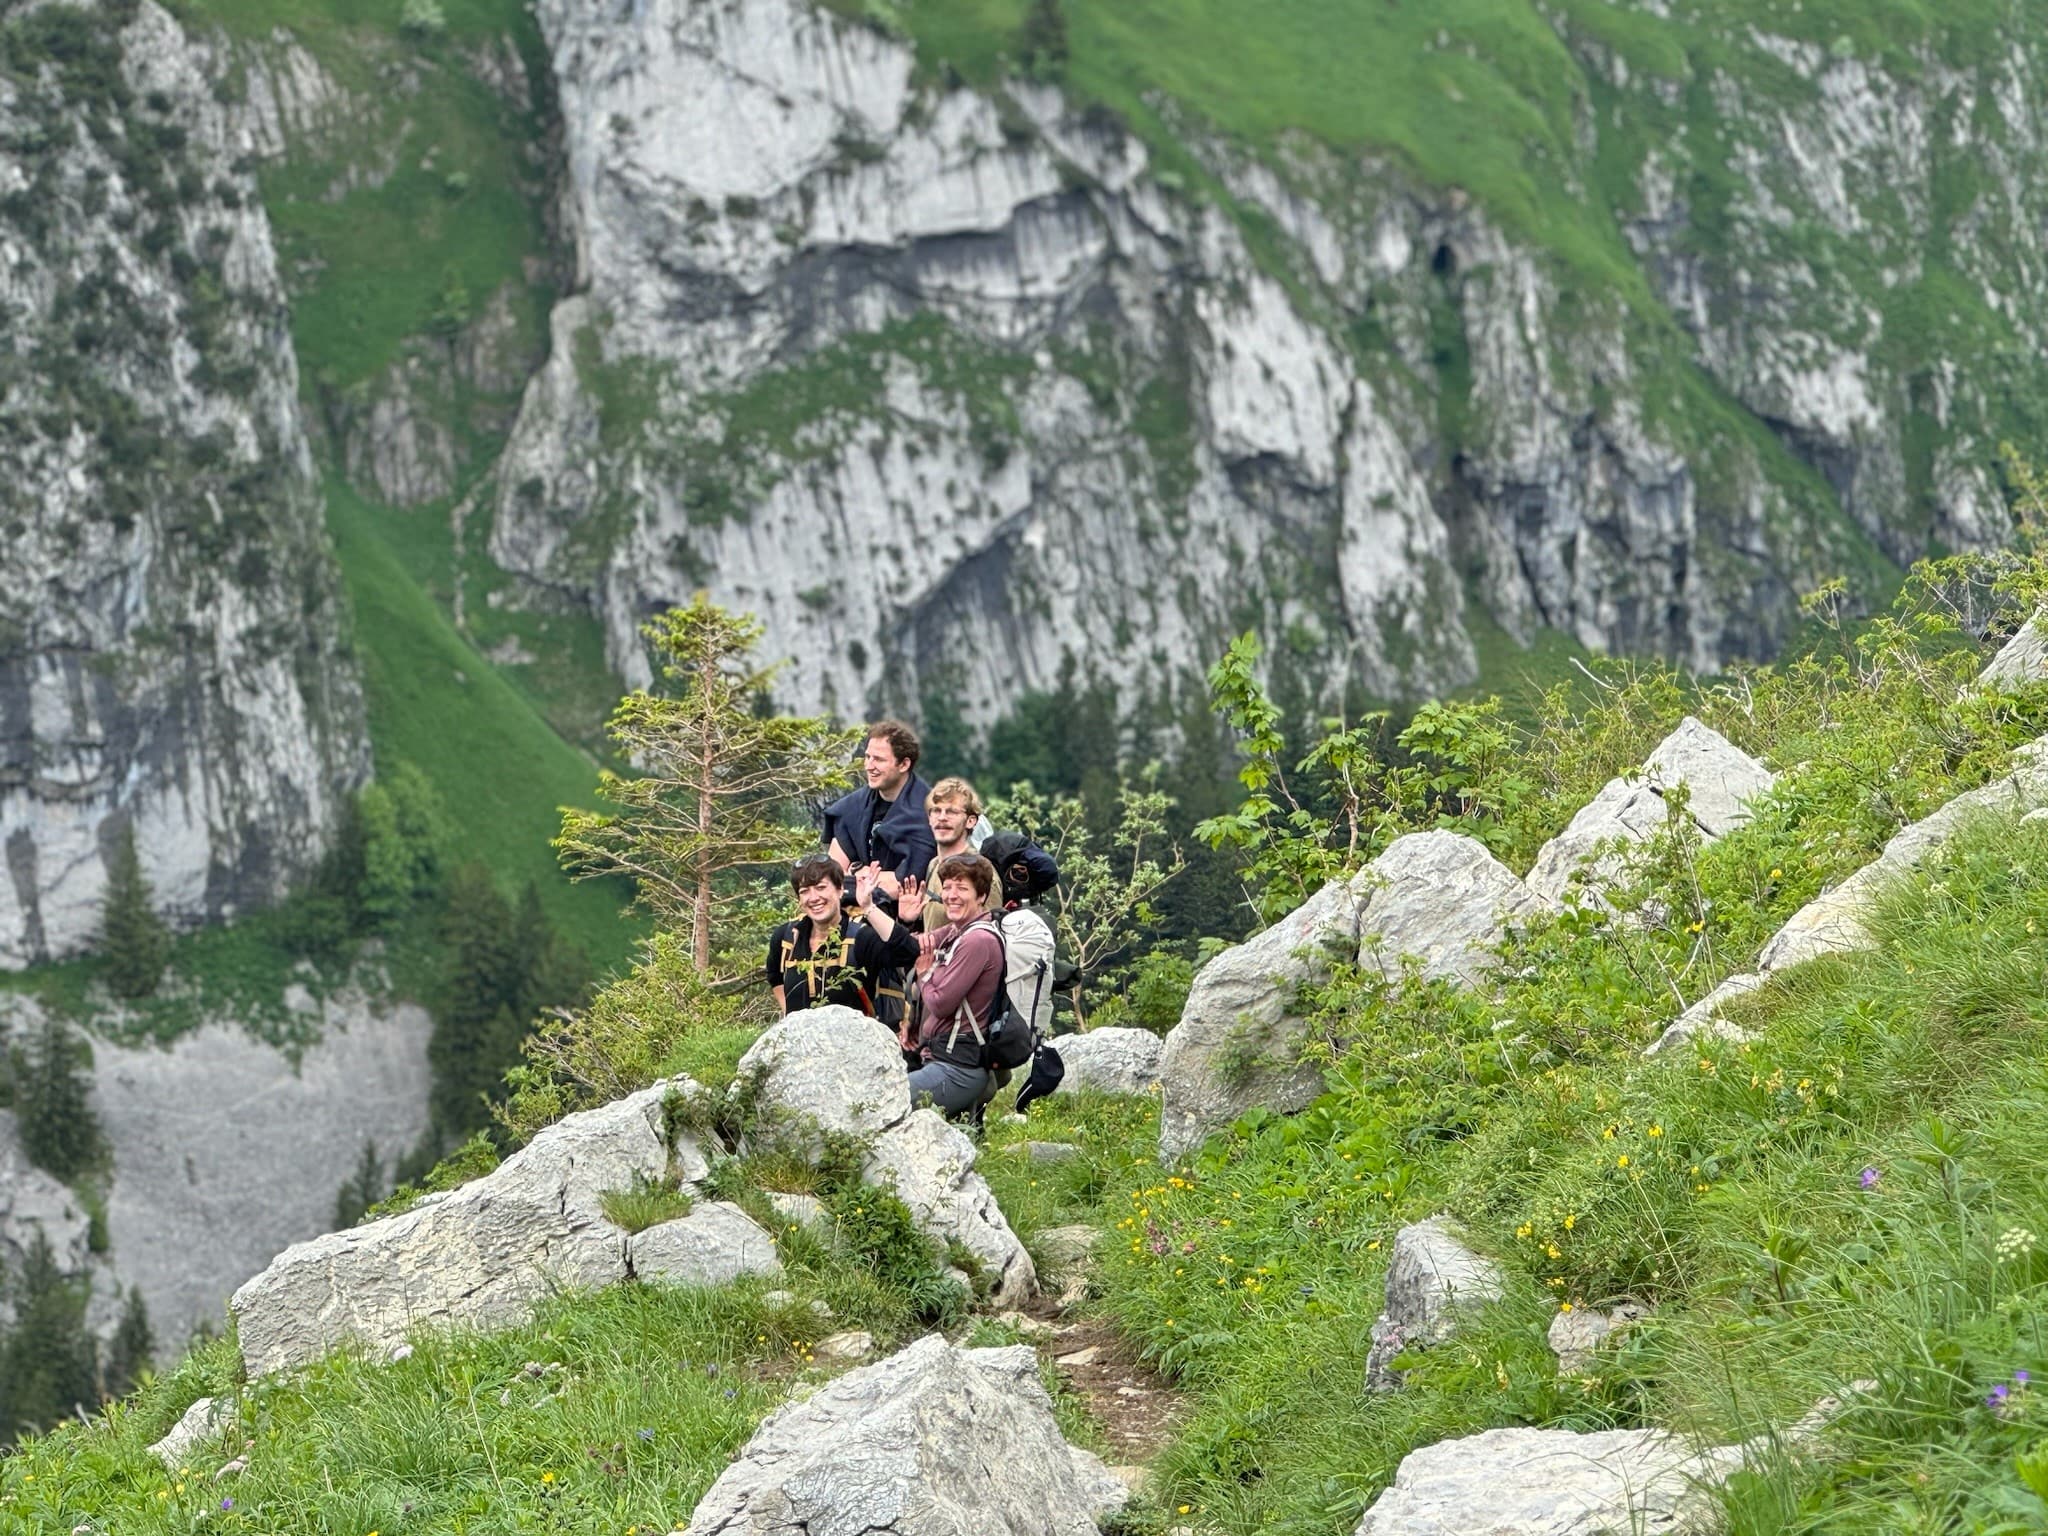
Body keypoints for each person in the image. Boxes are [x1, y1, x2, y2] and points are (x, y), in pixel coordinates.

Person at [888, 853, 1005, 1117]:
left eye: (962, 888)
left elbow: (940, 1003)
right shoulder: (956, 931)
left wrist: (925, 972)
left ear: (982, 896)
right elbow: (906, 949)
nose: (951, 895)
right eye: (947, 887)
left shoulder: (978, 941)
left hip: (958, 1068)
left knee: (884, 1099)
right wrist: (905, 921)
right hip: (939, 1057)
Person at [766, 856, 920, 1015]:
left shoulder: (861, 938)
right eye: (804, 891)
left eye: (821, 887)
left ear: (840, 890)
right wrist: (789, 1015)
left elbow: (909, 953)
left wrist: (868, 907)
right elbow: (774, 975)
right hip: (799, 1039)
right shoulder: (786, 938)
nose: (813, 898)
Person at [823, 720, 935, 903]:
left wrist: (853, 873)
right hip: (851, 916)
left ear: (904, 764)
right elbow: (831, 877)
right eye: (867, 757)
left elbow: (904, 886)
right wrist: (863, 875)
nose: (869, 766)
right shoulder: (853, 807)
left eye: (879, 759)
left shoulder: (926, 815)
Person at [922, 777, 985, 931]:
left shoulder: (979, 869)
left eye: (952, 811)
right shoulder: (934, 865)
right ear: (929, 819)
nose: (942, 817)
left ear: (970, 821)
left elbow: (986, 934)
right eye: (936, 810)